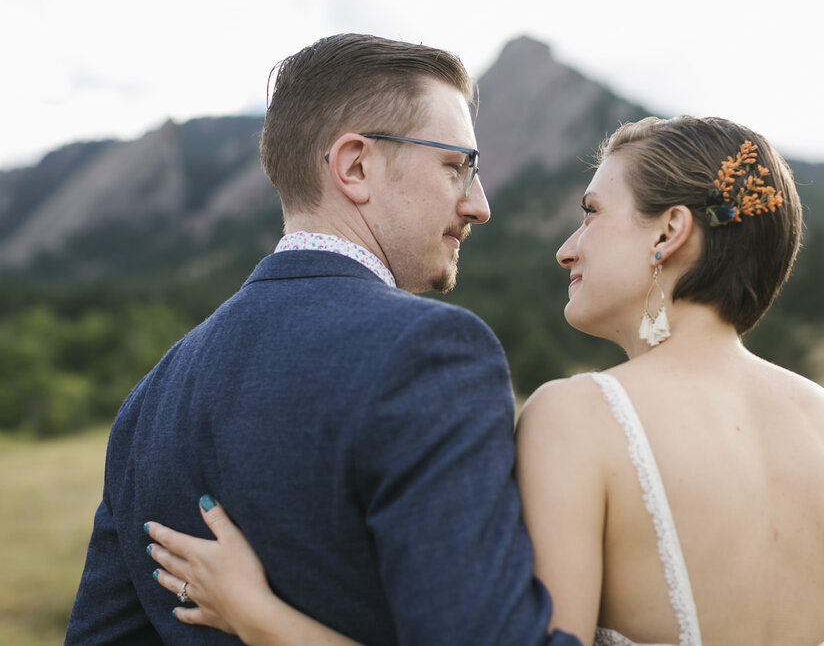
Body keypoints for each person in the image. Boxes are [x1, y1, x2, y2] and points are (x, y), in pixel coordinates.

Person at [145, 116, 824, 645]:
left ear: (670, 231)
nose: (566, 247)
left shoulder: (583, 417)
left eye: (591, 212)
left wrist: (259, 615)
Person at [65, 33, 581, 645]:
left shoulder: (151, 398)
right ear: (355, 166)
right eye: (457, 166)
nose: (480, 204)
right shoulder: (432, 354)